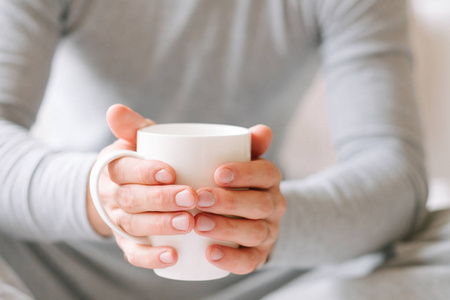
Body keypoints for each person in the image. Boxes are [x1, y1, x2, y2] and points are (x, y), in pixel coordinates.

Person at [0, 0, 432, 299]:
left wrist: (263, 222)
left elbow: (395, 173)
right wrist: (100, 195)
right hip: (61, 261)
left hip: (266, 274)